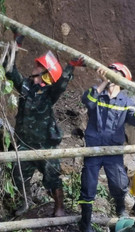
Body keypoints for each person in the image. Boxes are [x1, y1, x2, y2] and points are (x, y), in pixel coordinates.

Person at [78, 63, 135, 232]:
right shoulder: (97, 94)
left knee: (118, 183)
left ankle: (120, 208)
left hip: (113, 151)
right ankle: (85, 224)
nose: (112, 75)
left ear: (123, 80)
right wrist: (102, 83)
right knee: (88, 186)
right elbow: (87, 101)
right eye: (111, 72)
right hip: (93, 148)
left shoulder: (125, 102)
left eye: (116, 73)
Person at [5, 43, 82, 217]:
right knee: (18, 175)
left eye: (39, 66)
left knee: (52, 177)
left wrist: (70, 66)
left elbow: (61, 84)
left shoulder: (49, 94)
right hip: (24, 143)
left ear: (45, 73)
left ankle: (59, 208)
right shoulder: (26, 87)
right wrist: (14, 47)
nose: (34, 67)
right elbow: (10, 71)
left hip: (44, 145)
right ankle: (26, 203)